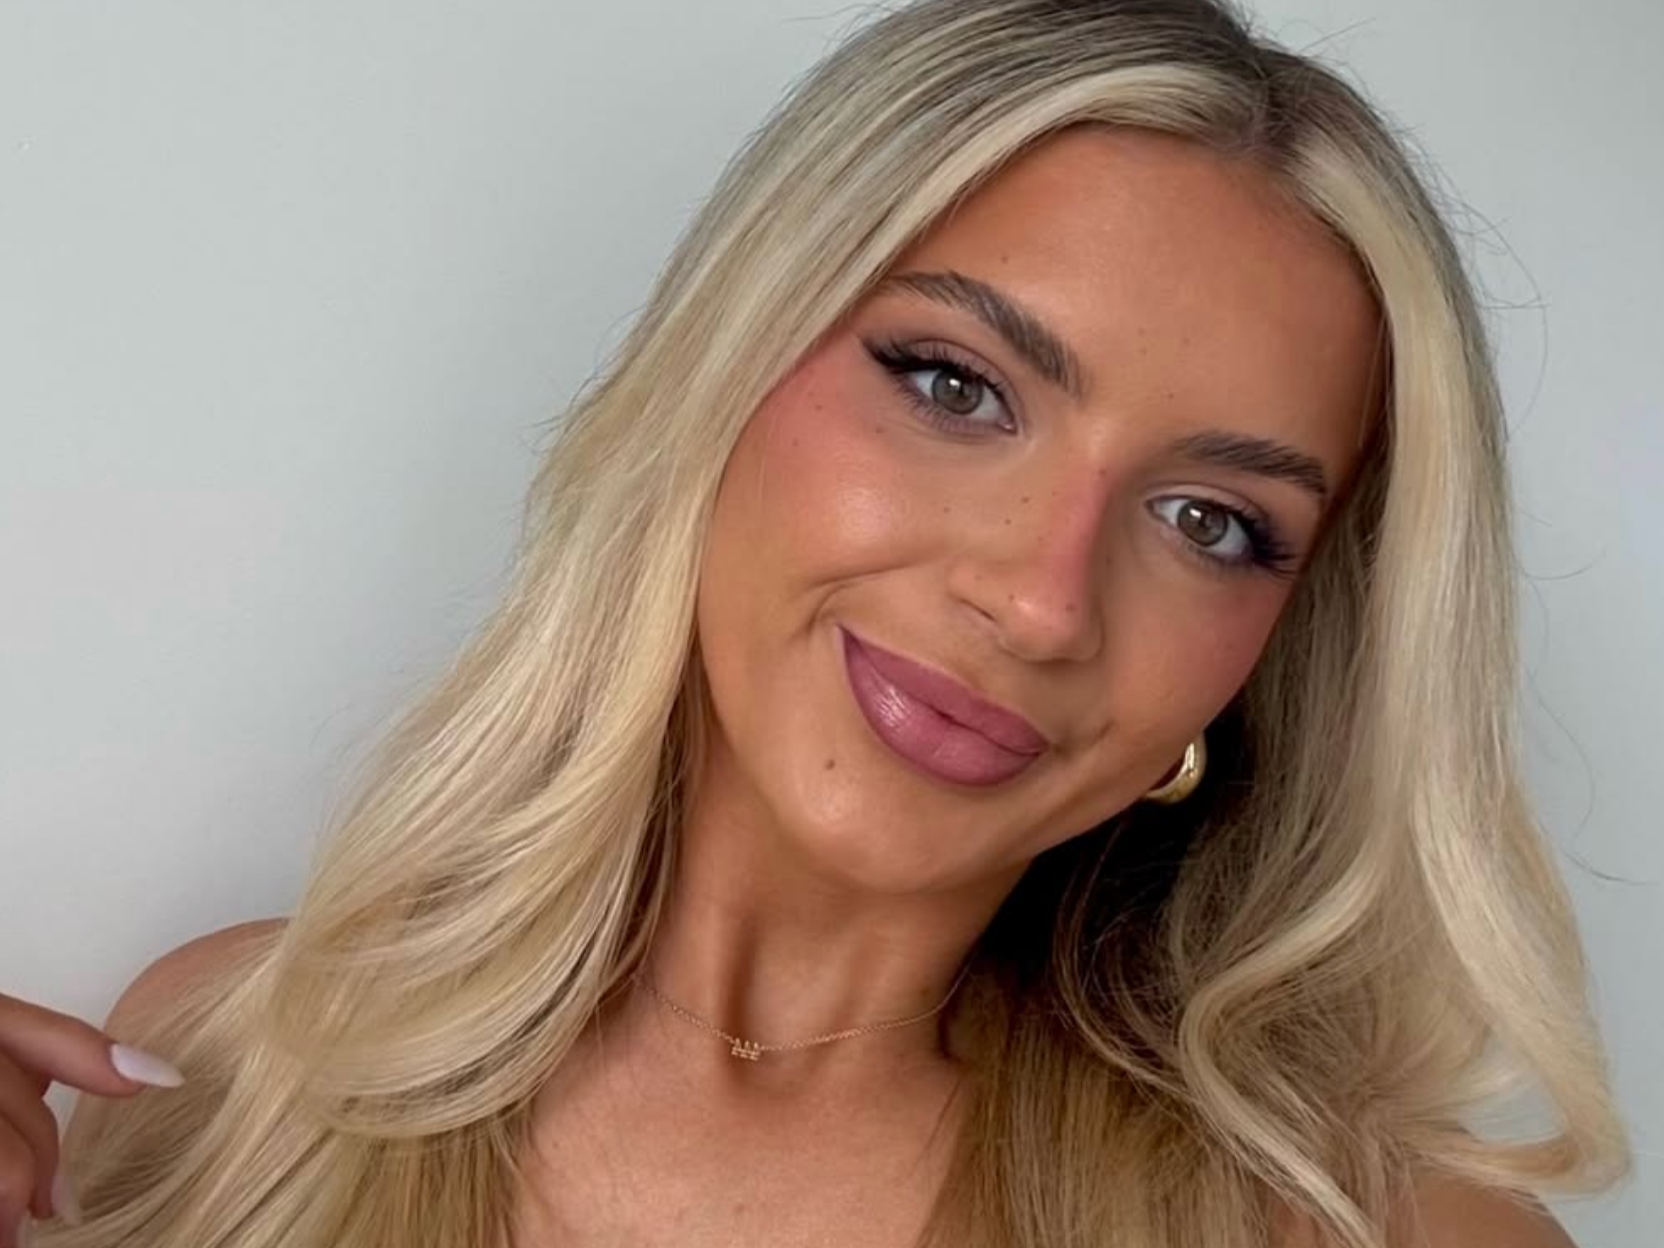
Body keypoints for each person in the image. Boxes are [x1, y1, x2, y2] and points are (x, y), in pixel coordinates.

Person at [0, 0, 1630, 1244]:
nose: (1039, 601)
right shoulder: (243, 1068)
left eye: (1212, 523)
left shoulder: (1378, 1234)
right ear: (722, 372)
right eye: (955, 386)